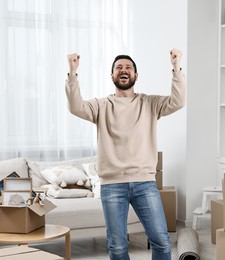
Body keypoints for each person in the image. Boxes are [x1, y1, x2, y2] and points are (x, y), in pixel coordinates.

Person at [65, 49, 186, 260]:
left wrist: (176, 68)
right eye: (118, 68)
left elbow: (178, 101)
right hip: (112, 185)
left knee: (161, 241)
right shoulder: (101, 105)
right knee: (118, 246)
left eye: (128, 68)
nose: (124, 70)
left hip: (145, 183)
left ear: (136, 76)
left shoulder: (150, 103)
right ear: (112, 76)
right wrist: (73, 73)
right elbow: (76, 107)